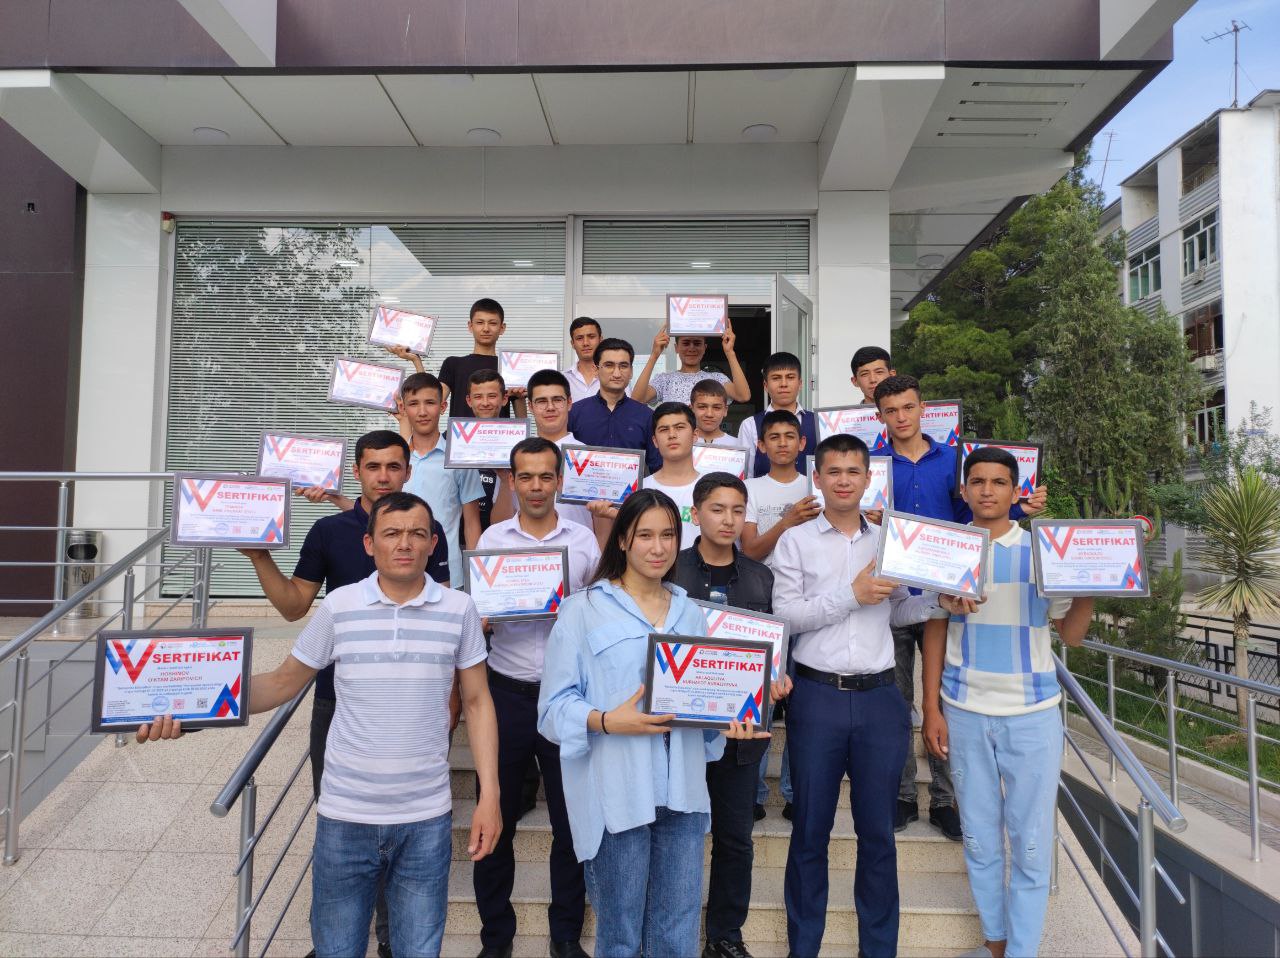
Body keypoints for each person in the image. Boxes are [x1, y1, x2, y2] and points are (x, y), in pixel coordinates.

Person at [140, 492, 502, 958]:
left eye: (417, 534)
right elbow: (282, 683)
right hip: (345, 816)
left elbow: (477, 701)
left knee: (418, 950)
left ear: (434, 544)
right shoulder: (338, 606)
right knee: (336, 950)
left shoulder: (459, 609)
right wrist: (190, 711)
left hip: (425, 818)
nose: (405, 543)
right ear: (369, 544)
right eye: (392, 533)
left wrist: (489, 796)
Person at [238, 431, 452, 958]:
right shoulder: (329, 531)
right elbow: (294, 608)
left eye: (394, 466)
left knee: (406, 841)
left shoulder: (427, 529)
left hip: (412, 705)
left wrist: (446, 711)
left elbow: (444, 614)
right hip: (338, 699)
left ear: (408, 472)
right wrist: (259, 556)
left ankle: (390, 939)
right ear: (356, 471)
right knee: (346, 824)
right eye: (373, 466)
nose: (384, 476)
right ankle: (342, 939)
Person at [537, 489, 768, 958]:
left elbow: (701, 708)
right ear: (623, 540)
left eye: (668, 535)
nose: (658, 548)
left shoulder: (690, 612)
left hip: (682, 795)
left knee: (677, 934)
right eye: (645, 535)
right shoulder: (583, 610)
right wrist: (605, 721)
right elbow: (551, 710)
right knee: (621, 935)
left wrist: (727, 722)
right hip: (617, 795)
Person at [921, 447, 1094, 958]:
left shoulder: (1042, 551)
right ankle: (995, 944)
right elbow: (935, 631)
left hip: (1033, 714)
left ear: (1017, 491)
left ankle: (1021, 951)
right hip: (964, 709)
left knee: (1032, 842)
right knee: (978, 837)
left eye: (999, 482)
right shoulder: (950, 549)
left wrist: (1091, 587)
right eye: (978, 481)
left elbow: (1071, 635)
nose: (988, 490)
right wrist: (931, 708)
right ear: (964, 490)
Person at [772, 433, 940, 958]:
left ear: (869, 479)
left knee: (878, 835)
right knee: (809, 833)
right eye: (834, 471)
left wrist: (941, 602)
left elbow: (900, 610)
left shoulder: (889, 541)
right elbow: (784, 616)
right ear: (817, 478)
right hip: (817, 696)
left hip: (880, 699)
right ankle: (804, 948)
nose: (843, 480)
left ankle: (878, 950)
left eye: (853, 471)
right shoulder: (795, 541)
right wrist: (851, 596)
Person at [874, 374, 1049, 839]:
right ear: (880, 415)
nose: (900, 417)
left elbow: (980, 512)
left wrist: (1021, 509)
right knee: (896, 703)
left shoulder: (956, 462)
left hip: (952, 595)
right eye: (891, 411)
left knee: (945, 700)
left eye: (908, 407)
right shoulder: (872, 466)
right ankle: (903, 794)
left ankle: (945, 799)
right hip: (894, 594)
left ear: (922, 408)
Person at [472, 438, 600, 958]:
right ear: (511, 481)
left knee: (571, 826)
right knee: (494, 820)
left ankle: (565, 936)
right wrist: (482, 616)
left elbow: (599, 610)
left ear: (560, 480)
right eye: (525, 477)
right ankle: (495, 938)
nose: (536, 487)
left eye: (546, 476)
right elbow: (475, 617)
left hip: (566, 697)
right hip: (506, 695)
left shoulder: (584, 541)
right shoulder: (492, 539)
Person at [672, 473, 790, 958]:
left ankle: (725, 935)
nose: (728, 520)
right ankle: (671, 934)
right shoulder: (670, 570)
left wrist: (776, 680)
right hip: (679, 733)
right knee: (675, 837)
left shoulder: (761, 577)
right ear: (696, 512)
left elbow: (772, 653)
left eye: (737, 511)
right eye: (718, 509)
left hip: (741, 734)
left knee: (735, 840)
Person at [399, 371, 486, 586]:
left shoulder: (458, 458)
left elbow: (472, 524)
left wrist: (477, 580)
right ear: (403, 408)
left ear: (443, 407)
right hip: (398, 571)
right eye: (414, 404)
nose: (422, 412)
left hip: (449, 575)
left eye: (430, 403)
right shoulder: (395, 459)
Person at [490, 368, 594, 534]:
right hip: (524, 549)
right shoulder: (517, 455)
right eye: (542, 401)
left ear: (569, 403)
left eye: (557, 400)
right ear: (530, 406)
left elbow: (601, 523)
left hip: (576, 547)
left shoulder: (590, 457)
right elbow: (499, 525)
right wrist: (503, 481)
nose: (550, 407)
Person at [741, 409, 821, 567]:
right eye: (774, 437)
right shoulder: (749, 488)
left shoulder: (816, 487)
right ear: (762, 445)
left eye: (789, 436)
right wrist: (787, 522)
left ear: (802, 443)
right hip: (764, 578)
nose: (782, 443)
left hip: (810, 577)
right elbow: (750, 552)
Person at [567, 337, 660, 474]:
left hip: (634, 489)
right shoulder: (574, 413)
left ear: (631, 371)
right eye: (609, 365)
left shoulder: (647, 416)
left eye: (623, 366)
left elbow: (658, 469)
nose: (617, 373)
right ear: (596, 370)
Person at [438, 297, 525, 419]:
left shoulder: (509, 367)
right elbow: (433, 402)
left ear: (502, 328)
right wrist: (417, 361)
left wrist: (520, 397)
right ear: (470, 326)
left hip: (500, 431)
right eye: (480, 322)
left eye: (492, 323)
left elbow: (521, 420)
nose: (486, 329)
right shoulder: (453, 364)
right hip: (460, 432)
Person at [736, 352, 818, 478]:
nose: (783, 384)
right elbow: (745, 476)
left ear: (800, 383)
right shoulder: (750, 425)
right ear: (765, 385)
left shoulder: (818, 422)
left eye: (790, 377)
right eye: (776, 378)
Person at [631, 323, 750, 406]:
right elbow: (637, 399)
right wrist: (654, 355)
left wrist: (730, 352)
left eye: (697, 343)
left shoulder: (716, 378)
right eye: (686, 343)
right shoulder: (665, 380)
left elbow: (743, 396)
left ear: (704, 348)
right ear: (676, 348)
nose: (691, 348)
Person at [641, 402, 702, 549]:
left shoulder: (712, 489)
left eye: (679, 427)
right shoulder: (640, 489)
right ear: (655, 441)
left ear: (695, 435)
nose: (672, 435)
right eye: (664, 429)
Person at [464, 368, 510, 534]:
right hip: (459, 534)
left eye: (492, 396)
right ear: (469, 401)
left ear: (504, 399)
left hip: (503, 533)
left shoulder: (516, 439)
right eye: (478, 397)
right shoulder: (453, 439)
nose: (485, 403)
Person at [690, 378, 743, 448]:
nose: (709, 414)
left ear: (725, 410)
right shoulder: (681, 444)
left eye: (716, 407)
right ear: (691, 409)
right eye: (702, 407)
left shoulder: (738, 446)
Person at [563, 316, 603, 404]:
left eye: (591, 337)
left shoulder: (615, 378)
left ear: (600, 340)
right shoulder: (562, 379)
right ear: (572, 344)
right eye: (579, 338)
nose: (585, 343)